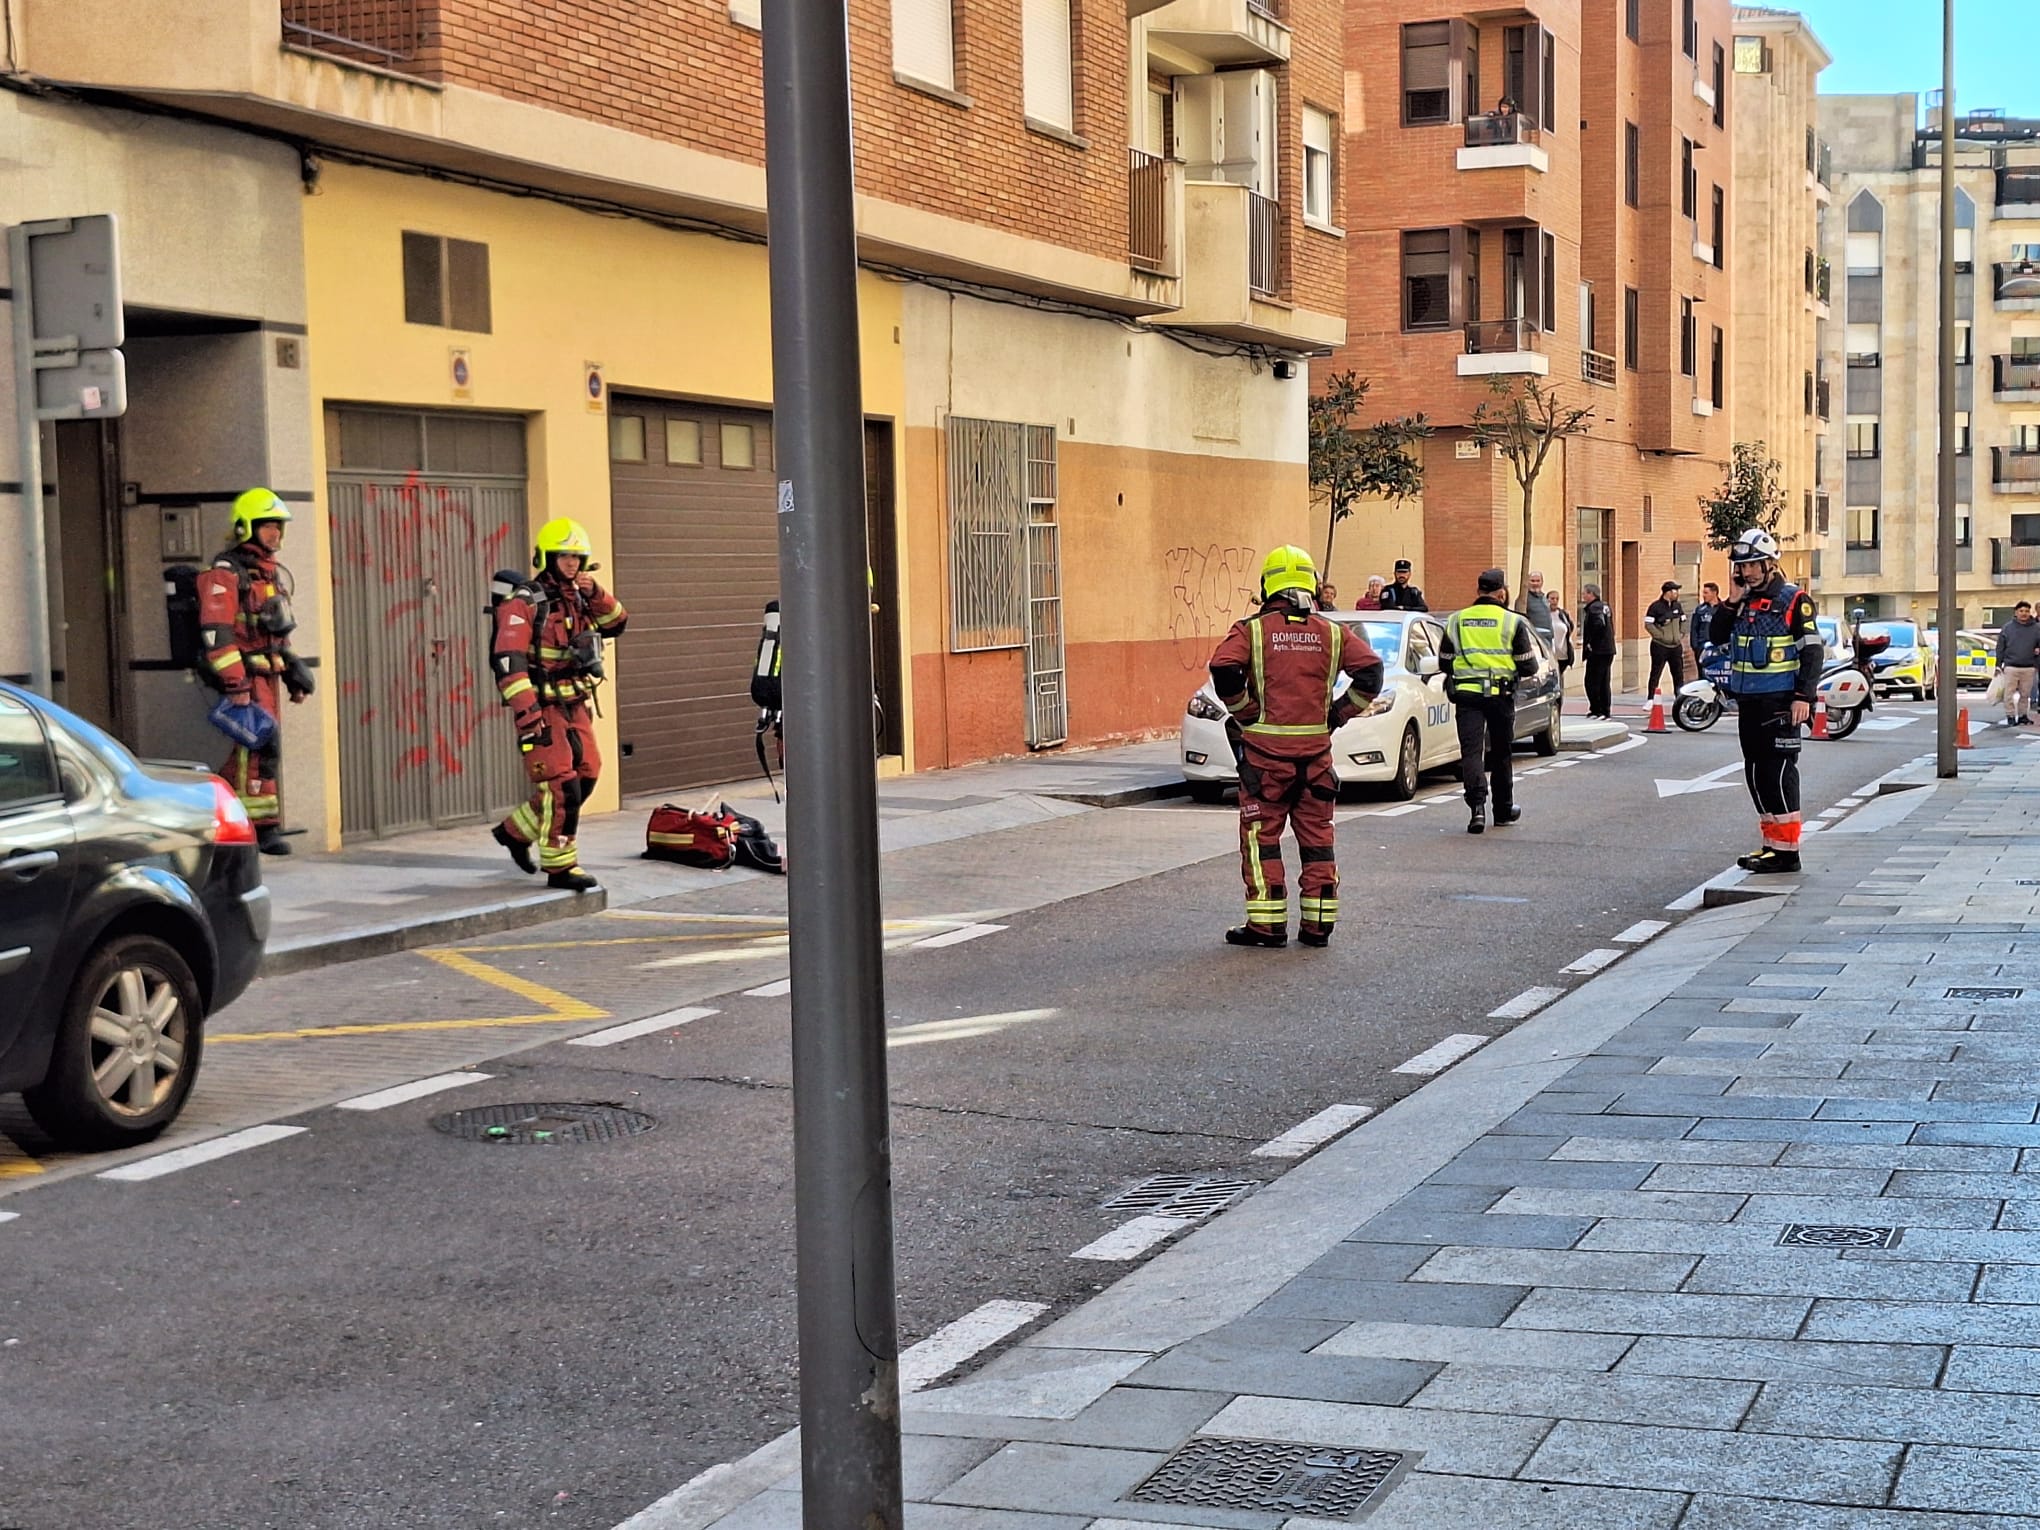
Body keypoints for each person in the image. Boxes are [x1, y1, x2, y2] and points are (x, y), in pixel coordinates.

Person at [1209, 546, 1383, 949]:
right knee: (1318, 840)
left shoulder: (1252, 630)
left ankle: (1267, 927)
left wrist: (1245, 711)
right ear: (1312, 585)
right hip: (1316, 762)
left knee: (1261, 841)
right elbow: (1371, 672)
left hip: (1264, 764)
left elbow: (1223, 667)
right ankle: (1318, 927)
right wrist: (1338, 715)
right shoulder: (1332, 632)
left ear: (1268, 585)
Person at [490, 517, 629, 891]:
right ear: (548, 557)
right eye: (565, 556)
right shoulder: (524, 601)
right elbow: (508, 659)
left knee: (586, 775)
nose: (572, 564)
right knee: (561, 785)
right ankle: (561, 867)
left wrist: (596, 591)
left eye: (578, 557)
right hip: (543, 707)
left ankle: (514, 832)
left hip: (575, 703)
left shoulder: (582, 595)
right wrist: (526, 710)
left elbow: (617, 622)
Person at [197, 487, 315, 856]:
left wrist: (293, 671)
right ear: (246, 527)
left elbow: (274, 630)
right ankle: (258, 829)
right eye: (267, 527)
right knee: (257, 749)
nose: (275, 534)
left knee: (259, 751)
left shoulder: (268, 574)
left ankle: (226, 818)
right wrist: (236, 685)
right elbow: (218, 632)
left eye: (278, 527)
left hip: (266, 677)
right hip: (245, 679)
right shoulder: (226, 572)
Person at [1709, 528, 1821, 874]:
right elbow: (1715, 635)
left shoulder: (1792, 599)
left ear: (1771, 563)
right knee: (1755, 773)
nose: (1749, 572)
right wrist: (1730, 601)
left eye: (1755, 564)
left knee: (1778, 772)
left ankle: (1788, 851)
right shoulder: (1742, 601)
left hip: (1781, 702)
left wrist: (1804, 696)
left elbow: (1813, 651)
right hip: (1750, 702)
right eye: (1743, 566)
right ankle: (1772, 845)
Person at [1441, 568, 1539, 833]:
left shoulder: (1456, 620)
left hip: (1467, 696)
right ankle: (1503, 809)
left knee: (1472, 753)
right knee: (1501, 753)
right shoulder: (1512, 622)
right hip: (1501, 696)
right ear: (1502, 593)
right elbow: (1528, 666)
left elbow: (1444, 662)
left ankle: (1477, 810)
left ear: (1478, 592)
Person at [1997, 601, 2040, 726]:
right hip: (2011, 666)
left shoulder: (2036, 628)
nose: (2024, 614)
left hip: (2029, 666)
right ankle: (2010, 716)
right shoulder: (2007, 628)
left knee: (2025, 694)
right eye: (2021, 611)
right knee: (2008, 693)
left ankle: (2022, 715)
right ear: (2016, 613)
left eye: (2026, 611)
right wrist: (1998, 665)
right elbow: (2000, 647)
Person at [1645, 581, 1688, 700]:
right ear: (1667, 592)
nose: (1677, 593)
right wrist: (1660, 636)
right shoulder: (1656, 607)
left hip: (1676, 646)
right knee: (1656, 673)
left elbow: (1683, 621)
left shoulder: (1677, 606)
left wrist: (1681, 634)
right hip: (1660, 646)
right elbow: (1648, 624)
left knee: (1678, 674)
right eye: (1675, 591)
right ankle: (1651, 699)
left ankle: (1679, 699)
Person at [1580, 583, 1616, 719]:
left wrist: (1591, 644)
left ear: (1591, 594)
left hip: (1599, 651)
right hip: (1607, 649)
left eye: (1584, 593)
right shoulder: (1604, 606)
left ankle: (1598, 709)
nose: (1583, 596)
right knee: (1603, 681)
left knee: (1592, 681)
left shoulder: (1594, 608)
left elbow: (1599, 625)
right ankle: (1603, 710)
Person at [1690, 582, 1722, 669]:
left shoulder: (1723, 609)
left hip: (1718, 648)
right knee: (1702, 673)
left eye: (1706, 593)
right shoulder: (1700, 609)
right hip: (1702, 646)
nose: (1703, 595)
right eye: (1703, 593)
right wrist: (1695, 646)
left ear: (1714, 593)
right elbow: (1694, 628)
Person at [1548, 591, 1576, 690]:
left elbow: (1570, 627)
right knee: (1552, 680)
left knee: (1559, 679)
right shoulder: (1544, 615)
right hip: (1550, 654)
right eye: (1552, 599)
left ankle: (1559, 700)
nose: (1554, 601)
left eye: (1557, 599)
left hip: (1563, 654)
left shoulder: (1563, 614)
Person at [1522, 570, 1553, 642]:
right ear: (1527, 582)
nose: (1535, 583)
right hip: (1534, 639)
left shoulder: (1544, 598)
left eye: (1538, 581)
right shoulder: (1523, 600)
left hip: (1548, 638)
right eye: (1532, 581)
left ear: (1542, 582)